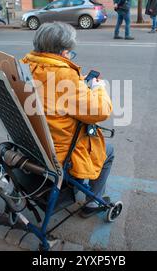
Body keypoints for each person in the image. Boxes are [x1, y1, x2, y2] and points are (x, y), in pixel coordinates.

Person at [21, 22, 115, 218]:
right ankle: (93, 202)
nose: (70, 56)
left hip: (32, 146)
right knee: (109, 151)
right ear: (63, 52)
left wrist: (80, 83)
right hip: (61, 156)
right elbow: (102, 111)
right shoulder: (64, 75)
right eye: (70, 53)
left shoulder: (25, 65)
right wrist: (99, 88)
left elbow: (52, 93)